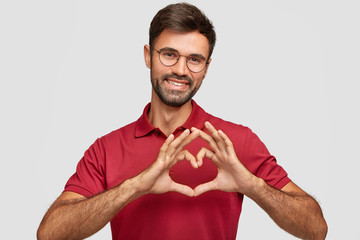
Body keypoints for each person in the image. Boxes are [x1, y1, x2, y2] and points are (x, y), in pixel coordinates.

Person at [37, 3, 327, 240]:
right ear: (148, 56)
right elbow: (50, 233)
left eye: (195, 59)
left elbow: (316, 229)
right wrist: (135, 186)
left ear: (206, 67)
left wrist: (253, 186)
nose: (180, 70)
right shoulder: (106, 149)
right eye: (169, 54)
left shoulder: (233, 142)